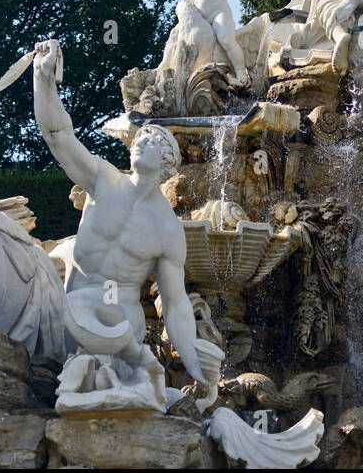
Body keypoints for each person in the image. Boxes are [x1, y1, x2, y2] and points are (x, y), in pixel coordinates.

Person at [33, 38, 223, 407]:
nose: (138, 141)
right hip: (74, 301)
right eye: (139, 137)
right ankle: (136, 371)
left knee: (94, 374)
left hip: (120, 315)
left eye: (150, 140)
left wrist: (191, 357)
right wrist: (43, 80)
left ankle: (135, 369)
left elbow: (176, 301)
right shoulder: (103, 180)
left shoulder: (167, 229)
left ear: (168, 164)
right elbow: (58, 137)